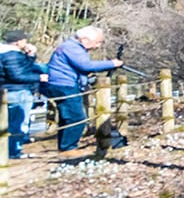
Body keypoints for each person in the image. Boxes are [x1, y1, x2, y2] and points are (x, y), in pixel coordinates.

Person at [43, 26, 122, 154]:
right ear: (84, 40)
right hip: (64, 85)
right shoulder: (72, 48)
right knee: (77, 118)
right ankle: (69, 148)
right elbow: (85, 66)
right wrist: (112, 64)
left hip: (63, 84)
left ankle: (65, 147)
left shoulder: (72, 47)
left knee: (67, 117)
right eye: (97, 42)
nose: (97, 46)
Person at [0, 30, 47, 161]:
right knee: (19, 124)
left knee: (8, 123)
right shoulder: (11, 55)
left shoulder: (7, 54)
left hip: (8, 91)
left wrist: (31, 56)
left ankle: (11, 150)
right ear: (18, 42)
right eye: (24, 40)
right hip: (17, 92)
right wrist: (39, 77)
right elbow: (17, 75)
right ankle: (13, 152)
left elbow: (23, 68)